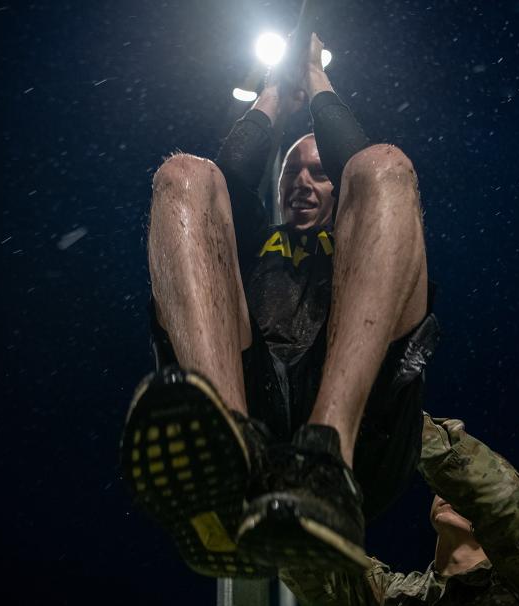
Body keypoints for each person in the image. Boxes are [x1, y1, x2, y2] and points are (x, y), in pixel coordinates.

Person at [120, 32, 439, 578]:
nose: (304, 183)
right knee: (185, 175)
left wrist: (315, 77)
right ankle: (230, 448)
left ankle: (324, 457)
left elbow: (360, 167)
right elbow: (226, 179)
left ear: (340, 191)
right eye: (292, 173)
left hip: (361, 432)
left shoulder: (357, 229)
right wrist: (273, 93)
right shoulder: (254, 241)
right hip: (253, 401)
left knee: (385, 166)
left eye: (319, 173)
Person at [280, 414, 519, 606]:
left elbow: (500, 502)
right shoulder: (398, 601)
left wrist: (397, 418)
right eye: (446, 489)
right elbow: (317, 573)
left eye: (461, 493)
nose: (448, 495)